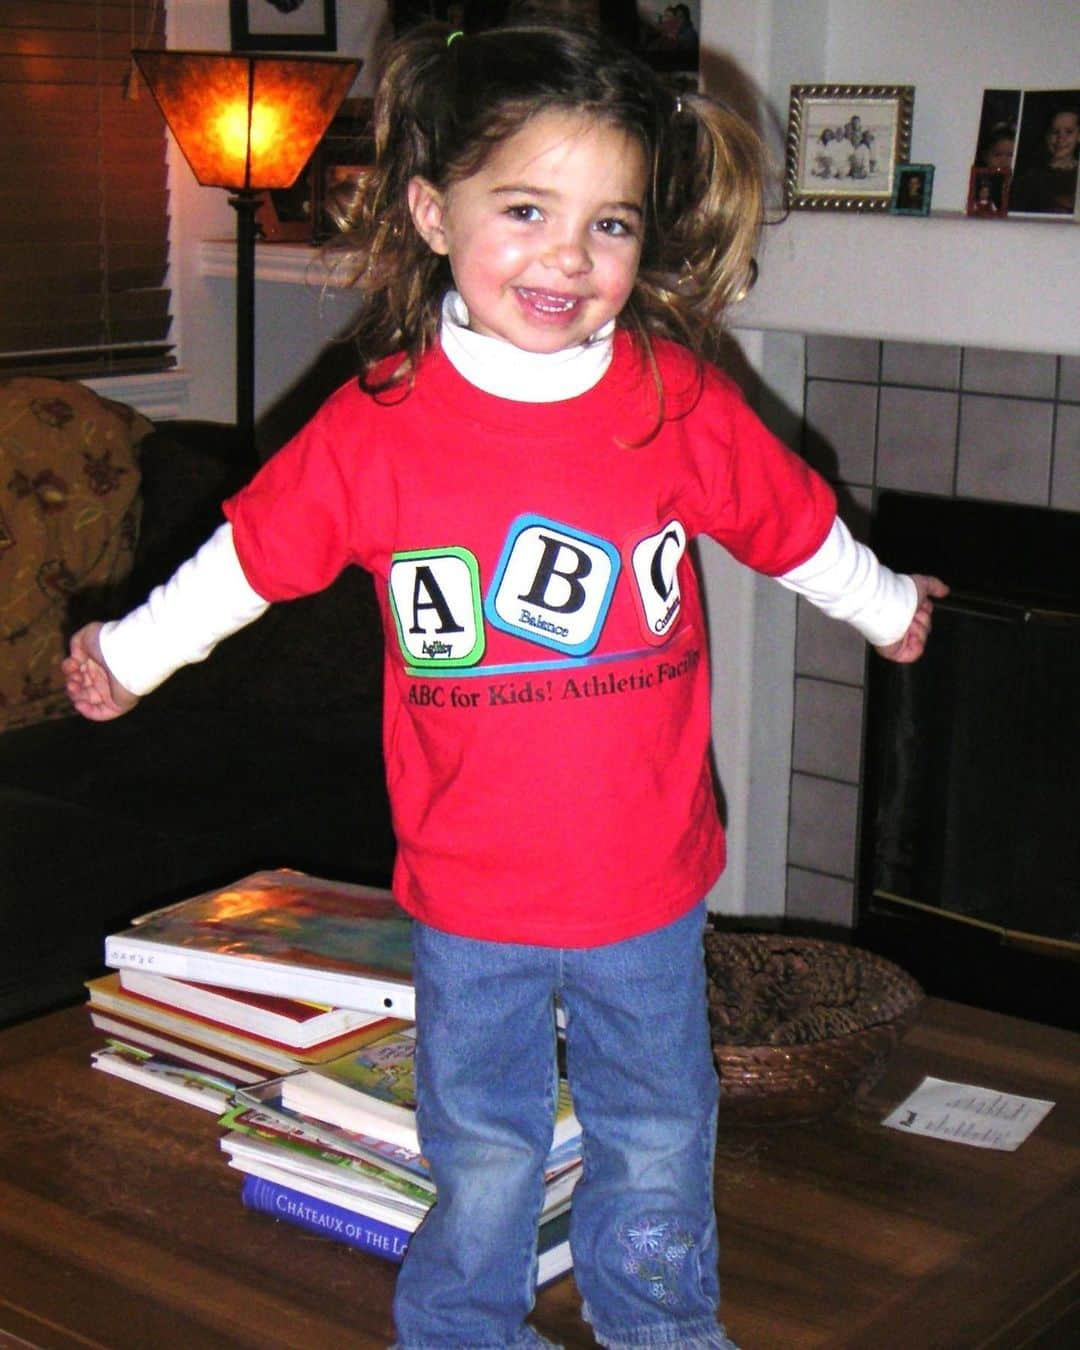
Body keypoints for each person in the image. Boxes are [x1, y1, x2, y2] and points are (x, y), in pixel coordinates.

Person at [64, 19, 946, 1349]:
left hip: (644, 883)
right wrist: (129, 655)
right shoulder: (378, 423)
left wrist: (888, 611)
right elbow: (248, 561)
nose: (569, 258)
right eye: (527, 209)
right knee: (481, 1141)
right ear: (431, 208)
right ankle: (463, 1328)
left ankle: (659, 1327)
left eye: (612, 225)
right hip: (468, 887)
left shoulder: (673, 398)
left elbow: (793, 525)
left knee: (657, 1128)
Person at [1010, 103, 1080, 214]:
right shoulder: (1030, 177)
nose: (1061, 138)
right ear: (1046, 135)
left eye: (1069, 132)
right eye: (1055, 132)